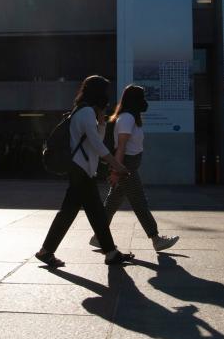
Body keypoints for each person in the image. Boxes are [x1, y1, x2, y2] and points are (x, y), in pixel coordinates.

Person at [36, 75, 134, 267]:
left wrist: (102, 121)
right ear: (98, 92)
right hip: (80, 169)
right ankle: (109, 252)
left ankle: (47, 251)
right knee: (88, 211)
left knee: (86, 212)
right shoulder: (85, 111)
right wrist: (117, 165)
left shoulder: (86, 112)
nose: (107, 95)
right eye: (105, 91)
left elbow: (95, 138)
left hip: (83, 170)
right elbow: (97, 144)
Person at [88, 85, 179, 252]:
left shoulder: (130, 118)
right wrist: (116, 171)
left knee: (112, 203)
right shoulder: (127, 118)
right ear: (135, 100)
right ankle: (156, 239)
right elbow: (121, 147)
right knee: (139, 202)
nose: (145, 101)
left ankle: (98, 237)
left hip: (127, 165)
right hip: (126, 167)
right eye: (142, 97)